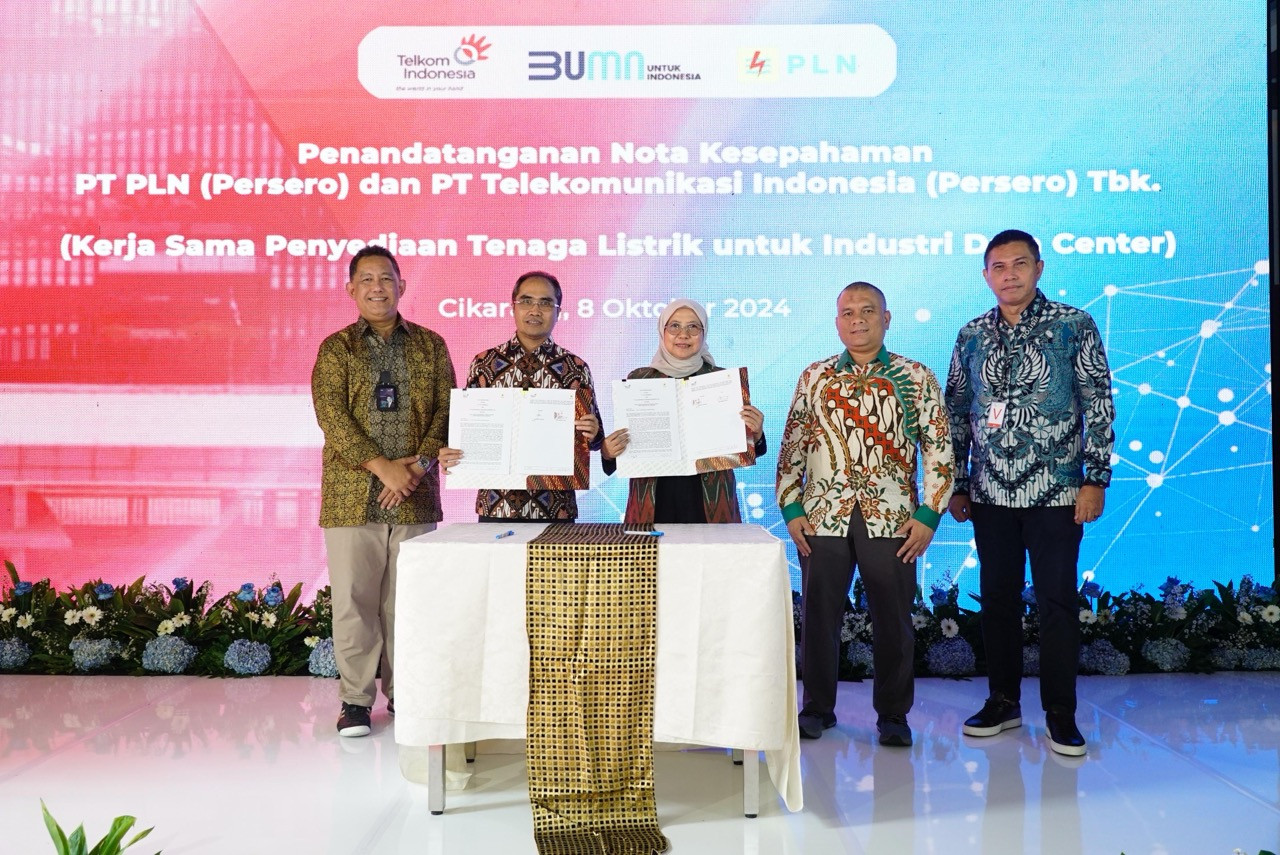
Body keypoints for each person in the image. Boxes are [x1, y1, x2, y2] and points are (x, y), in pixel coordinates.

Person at [945, 229, 1115, 757]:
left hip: (1057, 490)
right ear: (985, 275)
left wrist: (1095, 479)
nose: (1009, 275)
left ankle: (1060, 712)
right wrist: (958, 484)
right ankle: (1003, 701)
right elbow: (956, 413)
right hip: (990, 492)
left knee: (1056, 602)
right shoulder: (971, 335)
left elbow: (1098, 403)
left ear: (1039, 268)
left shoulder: (1073, 325)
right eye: (998, 267)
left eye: (1019, 264)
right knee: (996, 600)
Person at [778, 282, 953, 746]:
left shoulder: (916, 376)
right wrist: (791, 505)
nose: (857, 319)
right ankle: (817, 708)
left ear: (886, 318)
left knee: (893, 617)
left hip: (893, 517)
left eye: (868, 310)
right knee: (819, 615)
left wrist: (930, 513)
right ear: (837, 322)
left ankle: (893, 714)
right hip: (823, 514)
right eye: (848, 312)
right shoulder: (815, 376)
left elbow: (939, 447)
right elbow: (794, 442)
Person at [311, 245, 455, 738]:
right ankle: (355, 701)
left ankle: (406, 694)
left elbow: (447, 410)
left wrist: (414, 468)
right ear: (351, 289)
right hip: (351, 496)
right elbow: (332, 416)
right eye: (367, 279)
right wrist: (383, 469)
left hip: (415, 494)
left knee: (408, 603)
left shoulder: (431, 345)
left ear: (402, 286)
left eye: (387, 278)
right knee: (354, 603)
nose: (378, 287)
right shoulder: (337, 349)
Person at [437, 271, 602, 519]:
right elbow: (468, 430)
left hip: (556, 507)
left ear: (558, 312)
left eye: (545, 303)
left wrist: (594, 432)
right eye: (526, 301)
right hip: (497, 504)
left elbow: (596, 441)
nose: (535, 310)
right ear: (512, 307)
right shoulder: (484, 363)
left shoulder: (575, 367)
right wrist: (453, 453)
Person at [601, 299, 765, 523]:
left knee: (715, 547)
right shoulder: (638, 379)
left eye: (693, 327)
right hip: (653, 501)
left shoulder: (722, 379)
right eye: (674, 326)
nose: (683, 335)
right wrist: (608, 452)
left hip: (711, 501)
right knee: (650, 548)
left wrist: (755, 433)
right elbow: (625, 447)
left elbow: (744, 447)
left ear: (704, 333)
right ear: (662, 331)